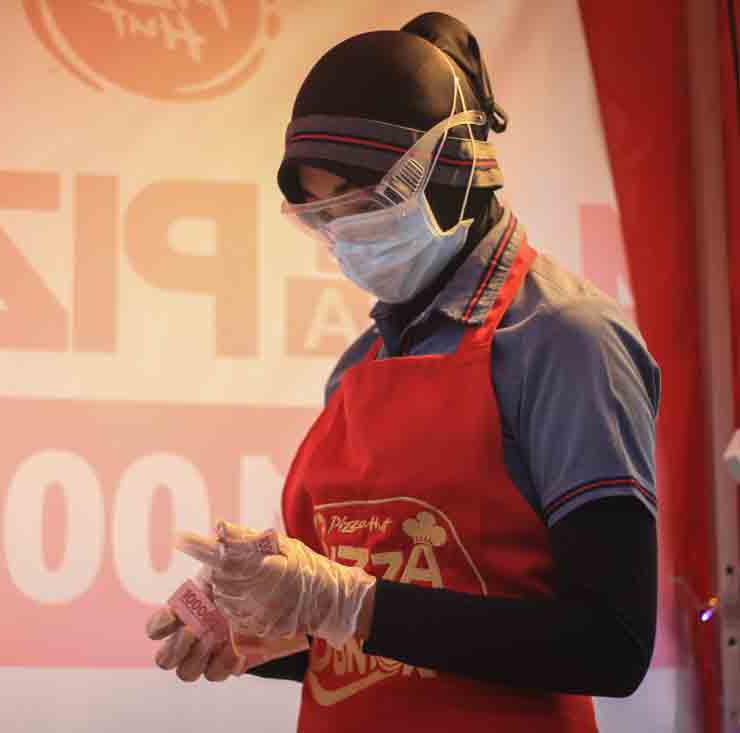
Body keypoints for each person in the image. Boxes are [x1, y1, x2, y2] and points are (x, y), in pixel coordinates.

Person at [145, 12, 659, 733]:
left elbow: (610, 643)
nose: (342, 236)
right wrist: (263, 624)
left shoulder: (565, 343)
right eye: (322, 215)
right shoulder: (360, 366)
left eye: (361, 205)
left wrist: (350, 603)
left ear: (451, 175)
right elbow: (376, 642)